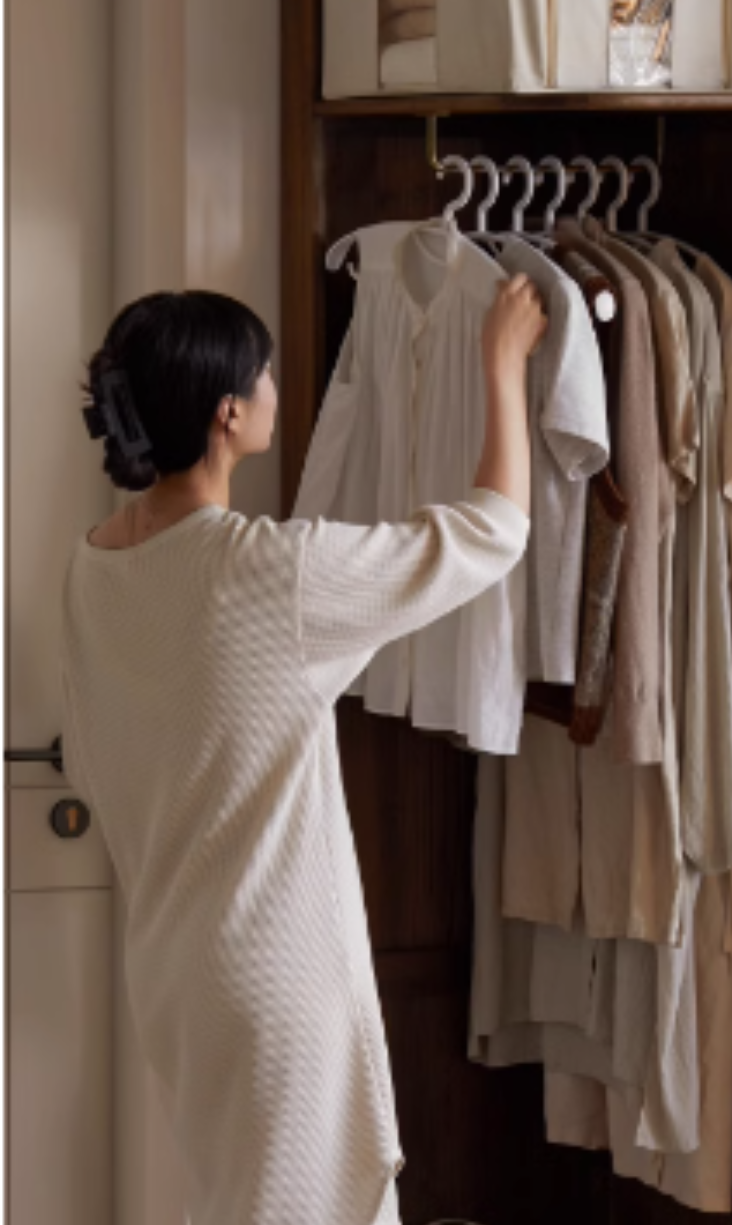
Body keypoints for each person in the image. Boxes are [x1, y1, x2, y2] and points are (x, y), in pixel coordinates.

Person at [58, 280, 547, 1225]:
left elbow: (95, 757)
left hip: (173, 976)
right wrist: (502, 361)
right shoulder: (266, 572)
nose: (278, 388)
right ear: (228, 413)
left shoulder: (92, 568)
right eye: (267, 373)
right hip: (275, 977)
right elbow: (495, 532)